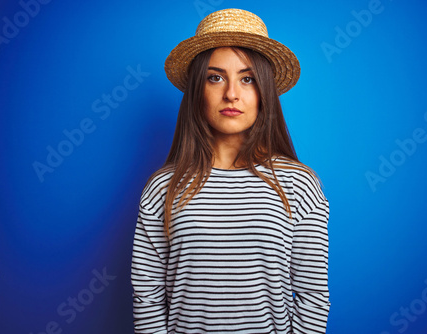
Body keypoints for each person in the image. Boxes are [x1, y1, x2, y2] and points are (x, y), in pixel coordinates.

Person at [131, 8, 330, 334]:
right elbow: (147, 294)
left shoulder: (298, 184)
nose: (232, 94)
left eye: (247, 78)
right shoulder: (162, 187)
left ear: (264, 91)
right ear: (198, 89)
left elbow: (312, 296)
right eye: (215, 77)